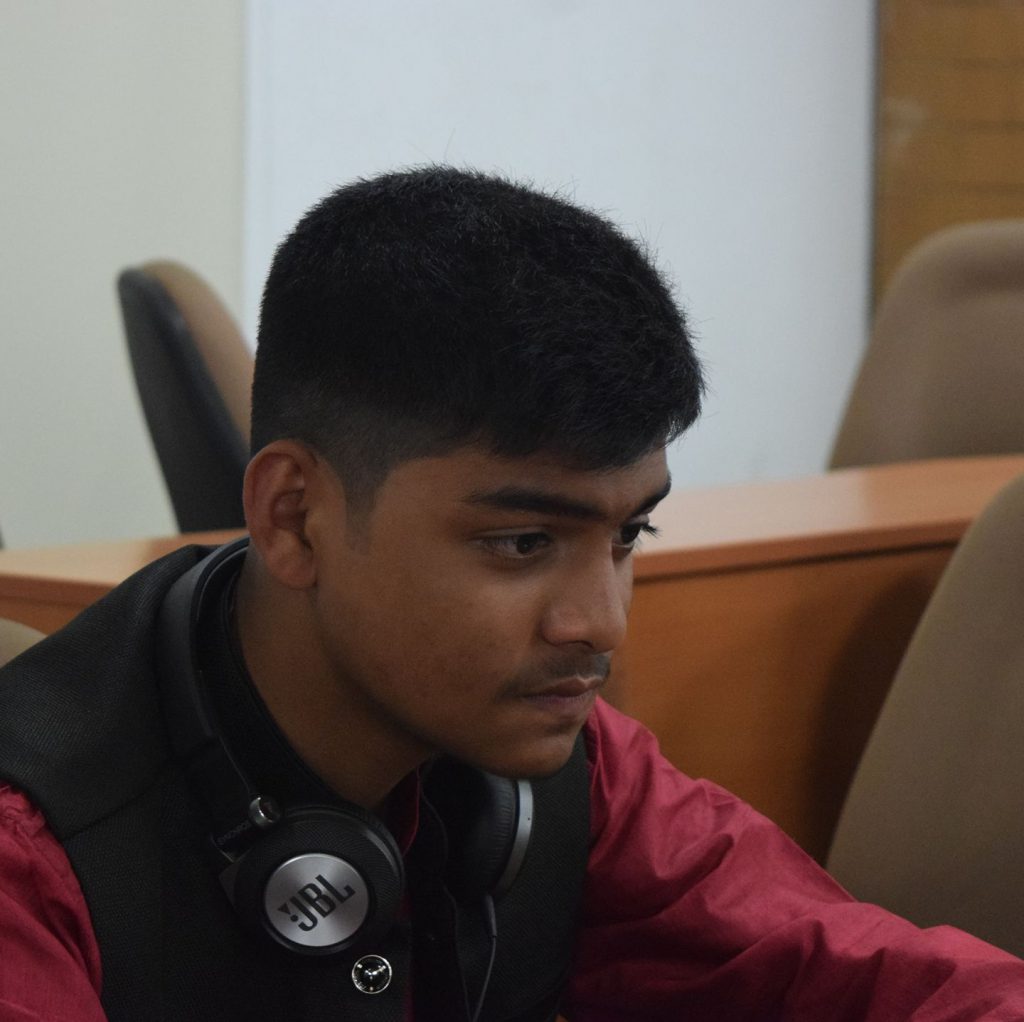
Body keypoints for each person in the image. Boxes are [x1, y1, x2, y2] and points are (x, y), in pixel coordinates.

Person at [0, 166, 1022, 1022]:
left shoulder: (565, 773)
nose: (600, 623)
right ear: (294, 517)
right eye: (523, 542)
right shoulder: (35, 855)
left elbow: (868, 972)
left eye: (628, 535)